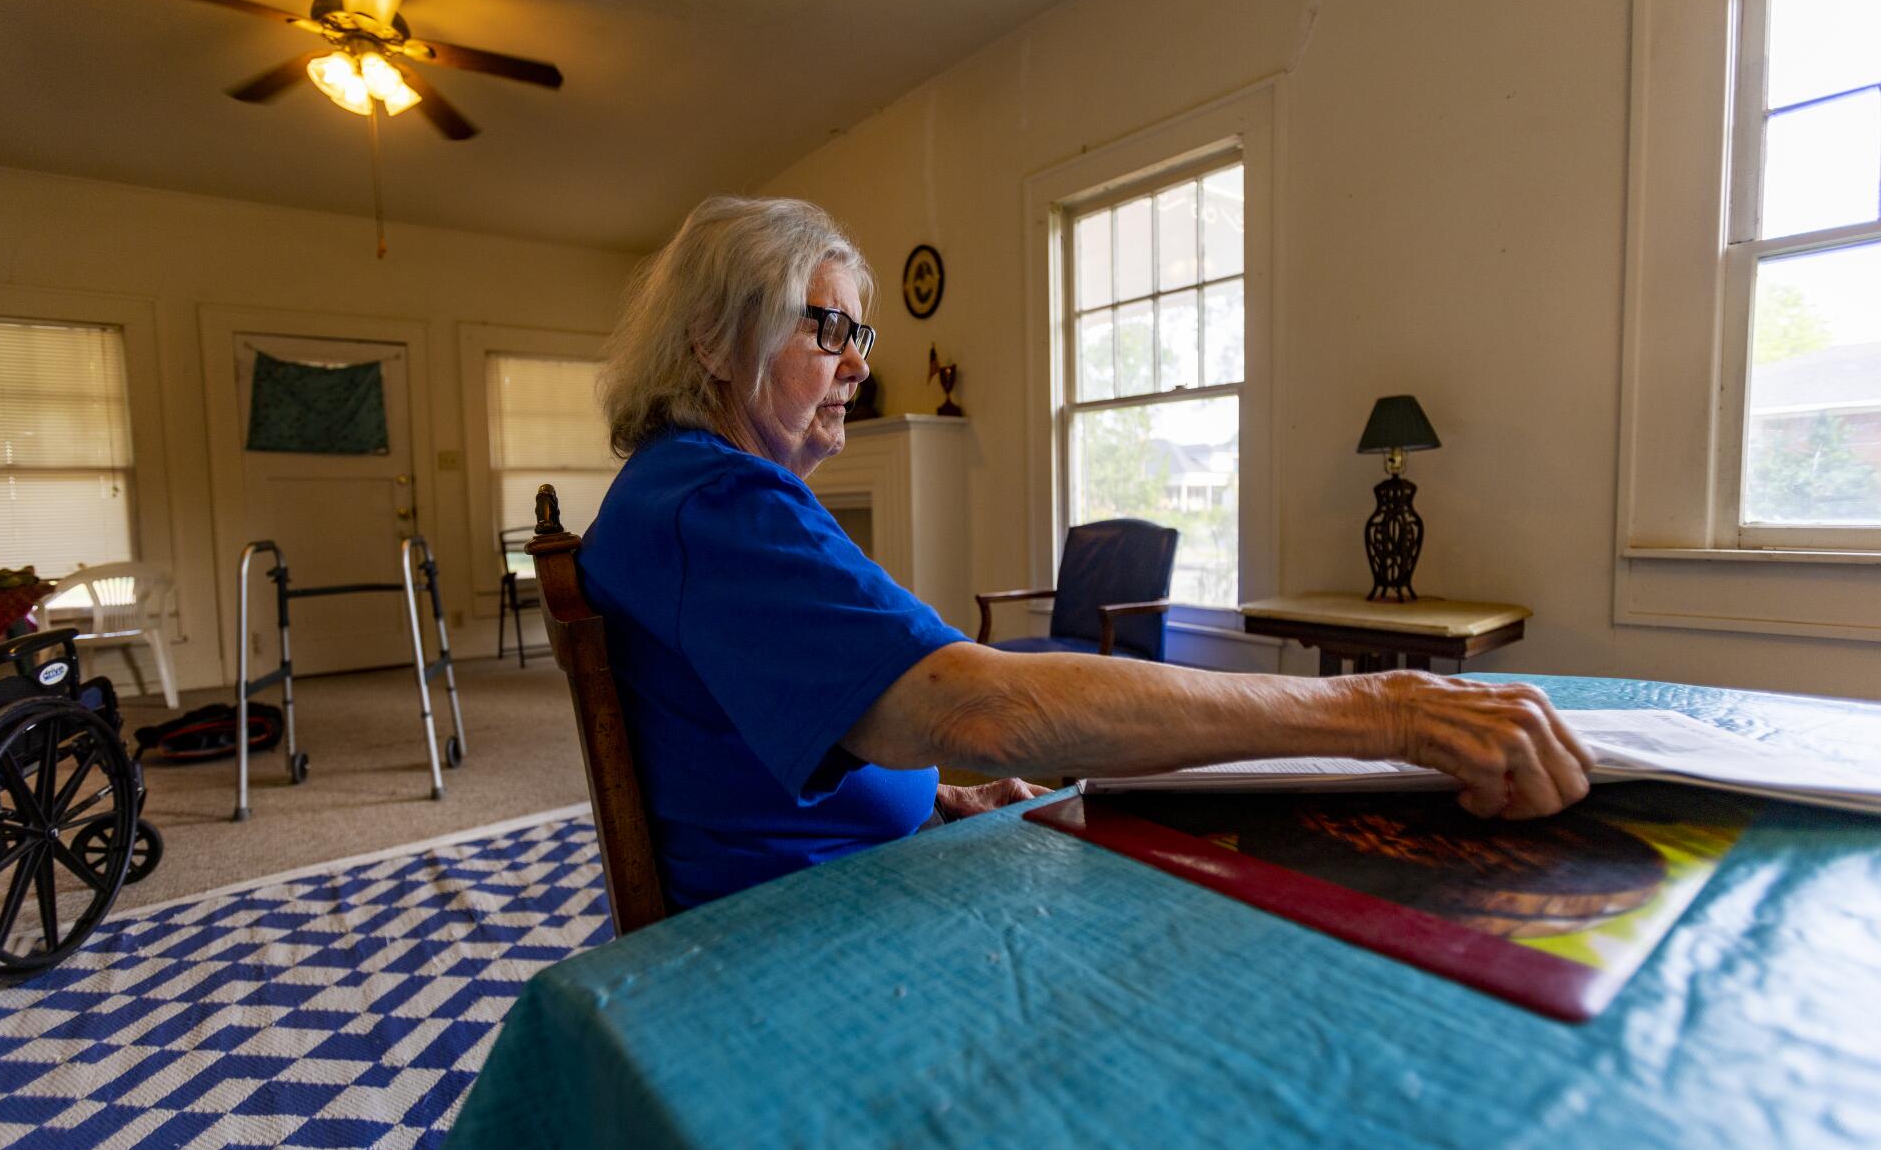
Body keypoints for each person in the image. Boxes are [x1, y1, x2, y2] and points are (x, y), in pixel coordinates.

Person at [582, 195, 1594, 910]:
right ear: (716, 340)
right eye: (829, 326)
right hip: (785, 929)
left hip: (841, 855)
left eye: (865, 332)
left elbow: (738, 724)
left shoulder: (680, 497)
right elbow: (980, 704)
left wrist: (936, 790)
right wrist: (1386, 707)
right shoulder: (716, 503)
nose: (858, 361)